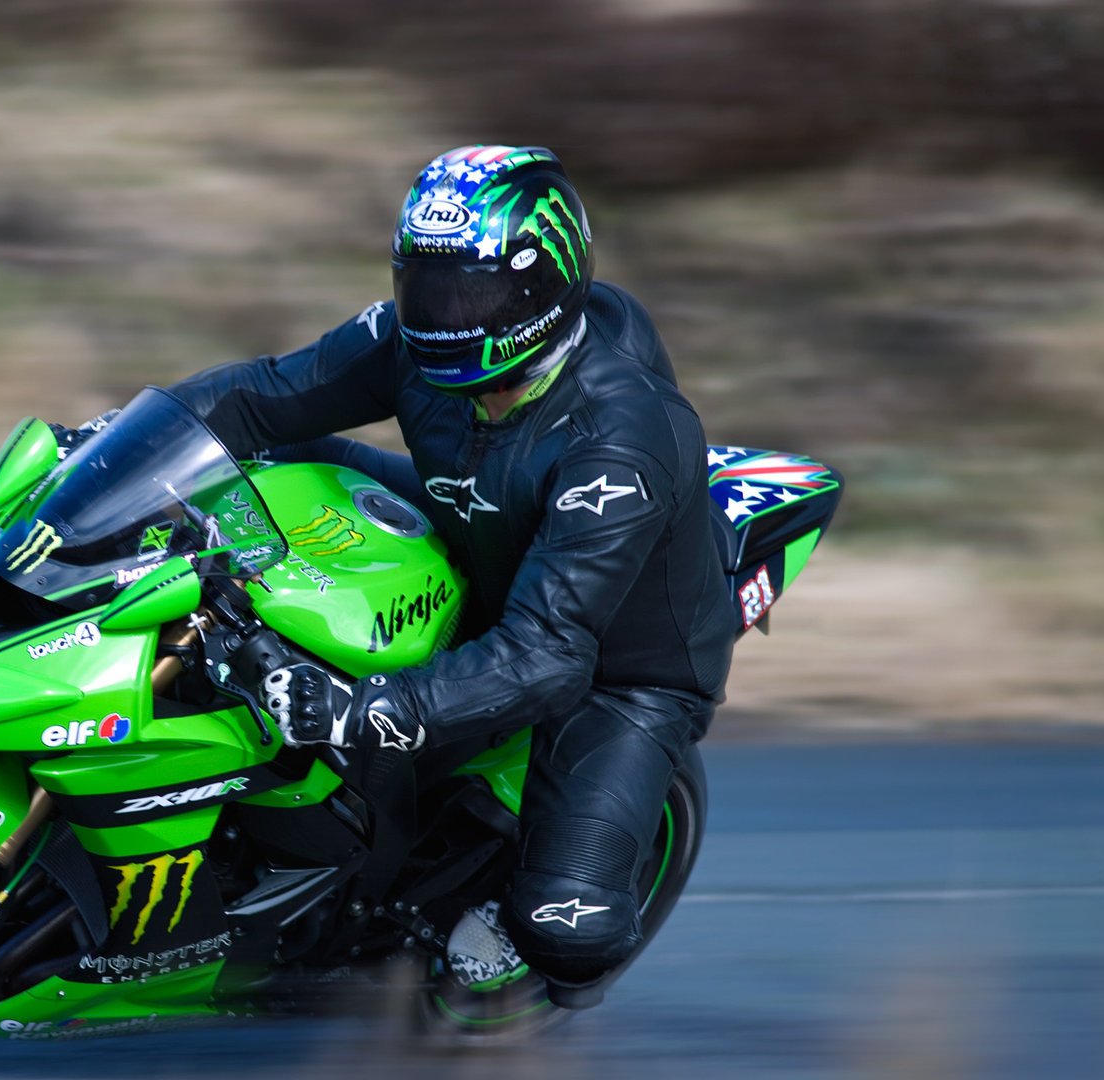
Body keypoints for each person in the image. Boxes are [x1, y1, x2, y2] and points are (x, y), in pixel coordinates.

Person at [153, 145, 735, 1008]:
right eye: (426, 287)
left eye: (473, 293)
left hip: (614, 667)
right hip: (471, 534)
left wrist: (365, 707)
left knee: (565, 934)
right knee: (257, 464)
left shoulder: (622, 438)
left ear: (544, 288)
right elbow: (258, 397)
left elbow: (547, 656)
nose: (443, 316)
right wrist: (119, 444)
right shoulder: (411, 344)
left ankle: (503, 921)